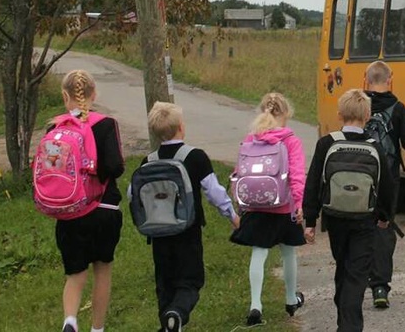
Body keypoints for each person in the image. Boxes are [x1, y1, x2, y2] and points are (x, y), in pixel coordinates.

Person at [303, 89, 396, 332]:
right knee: (357, 274)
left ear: (339, 114)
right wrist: (385, 217)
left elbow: (313, 182)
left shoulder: (327, 143)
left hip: (335, 219)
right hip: (365, 220)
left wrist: (310, 220)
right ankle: (350, 325)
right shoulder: (374, 146)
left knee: (343, 266)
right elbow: (386, 186)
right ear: (367, 115)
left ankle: (344, 320)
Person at [142, 101, 240, 332]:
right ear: (180, 128)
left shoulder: (149, 161)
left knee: (164, 283)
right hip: (188, 229)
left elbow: (133, 194)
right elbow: (214, 191)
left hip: (158, 232)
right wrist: (232, 215)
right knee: (191, 280)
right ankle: (177, 313)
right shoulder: (195, 157)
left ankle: (168, 322)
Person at [51, 69, 125, 332]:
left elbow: (55, 171)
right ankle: (97, 328)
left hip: (70, 211)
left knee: (75, 274)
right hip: (104, 208)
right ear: (94, 94)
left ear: (64, 96)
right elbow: (116, 166)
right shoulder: (105, 124)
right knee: (102, 269)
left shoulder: (56, 127)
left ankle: (70, 319)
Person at [229, 92, 307, 325]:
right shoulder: (290, 140)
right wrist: (299, 203)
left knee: (259, 253)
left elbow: (239, 172)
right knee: (288, 253)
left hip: (257, 206)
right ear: (285, 115)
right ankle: (291, 299)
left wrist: (240, 202)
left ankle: (255, 305)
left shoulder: (251, 139)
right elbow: (297, 175)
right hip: (283, 207)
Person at [363, 60, 405, 309]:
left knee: (361, 227)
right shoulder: (398, 108)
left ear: (366, 80)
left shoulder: (358, 105)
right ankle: (380, 286)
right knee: (383, 228)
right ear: (390, 80)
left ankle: (357, 277)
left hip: (360, 176)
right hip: (388, 179)